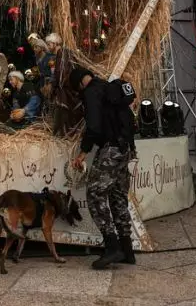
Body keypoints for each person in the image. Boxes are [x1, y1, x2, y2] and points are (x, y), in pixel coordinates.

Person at [70, 66, 137, 270]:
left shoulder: (91, 92)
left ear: (81, 82)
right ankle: (127, 250)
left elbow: (94, 127)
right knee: (117, 196)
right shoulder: (108, 87)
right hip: (126, 149)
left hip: (111, 150)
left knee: (95, 194)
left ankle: (112, 247)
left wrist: (83, 152)